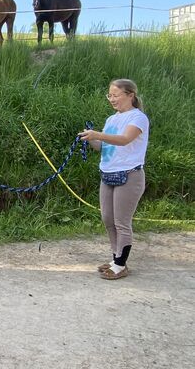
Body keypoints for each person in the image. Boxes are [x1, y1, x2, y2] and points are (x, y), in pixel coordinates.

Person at [78, 79, 149, 280]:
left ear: (130, 95)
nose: (112, 99)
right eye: (109, 95)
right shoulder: (111, 119)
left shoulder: (138, 118)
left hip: (129, 175)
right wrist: (91, 139)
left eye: (115, 95)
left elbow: (125, 139)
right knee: (108, 219)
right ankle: (116, 258)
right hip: (108, 174)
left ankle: (120, 264)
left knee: (121, 222)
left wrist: (97, 134)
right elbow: (104, 147)